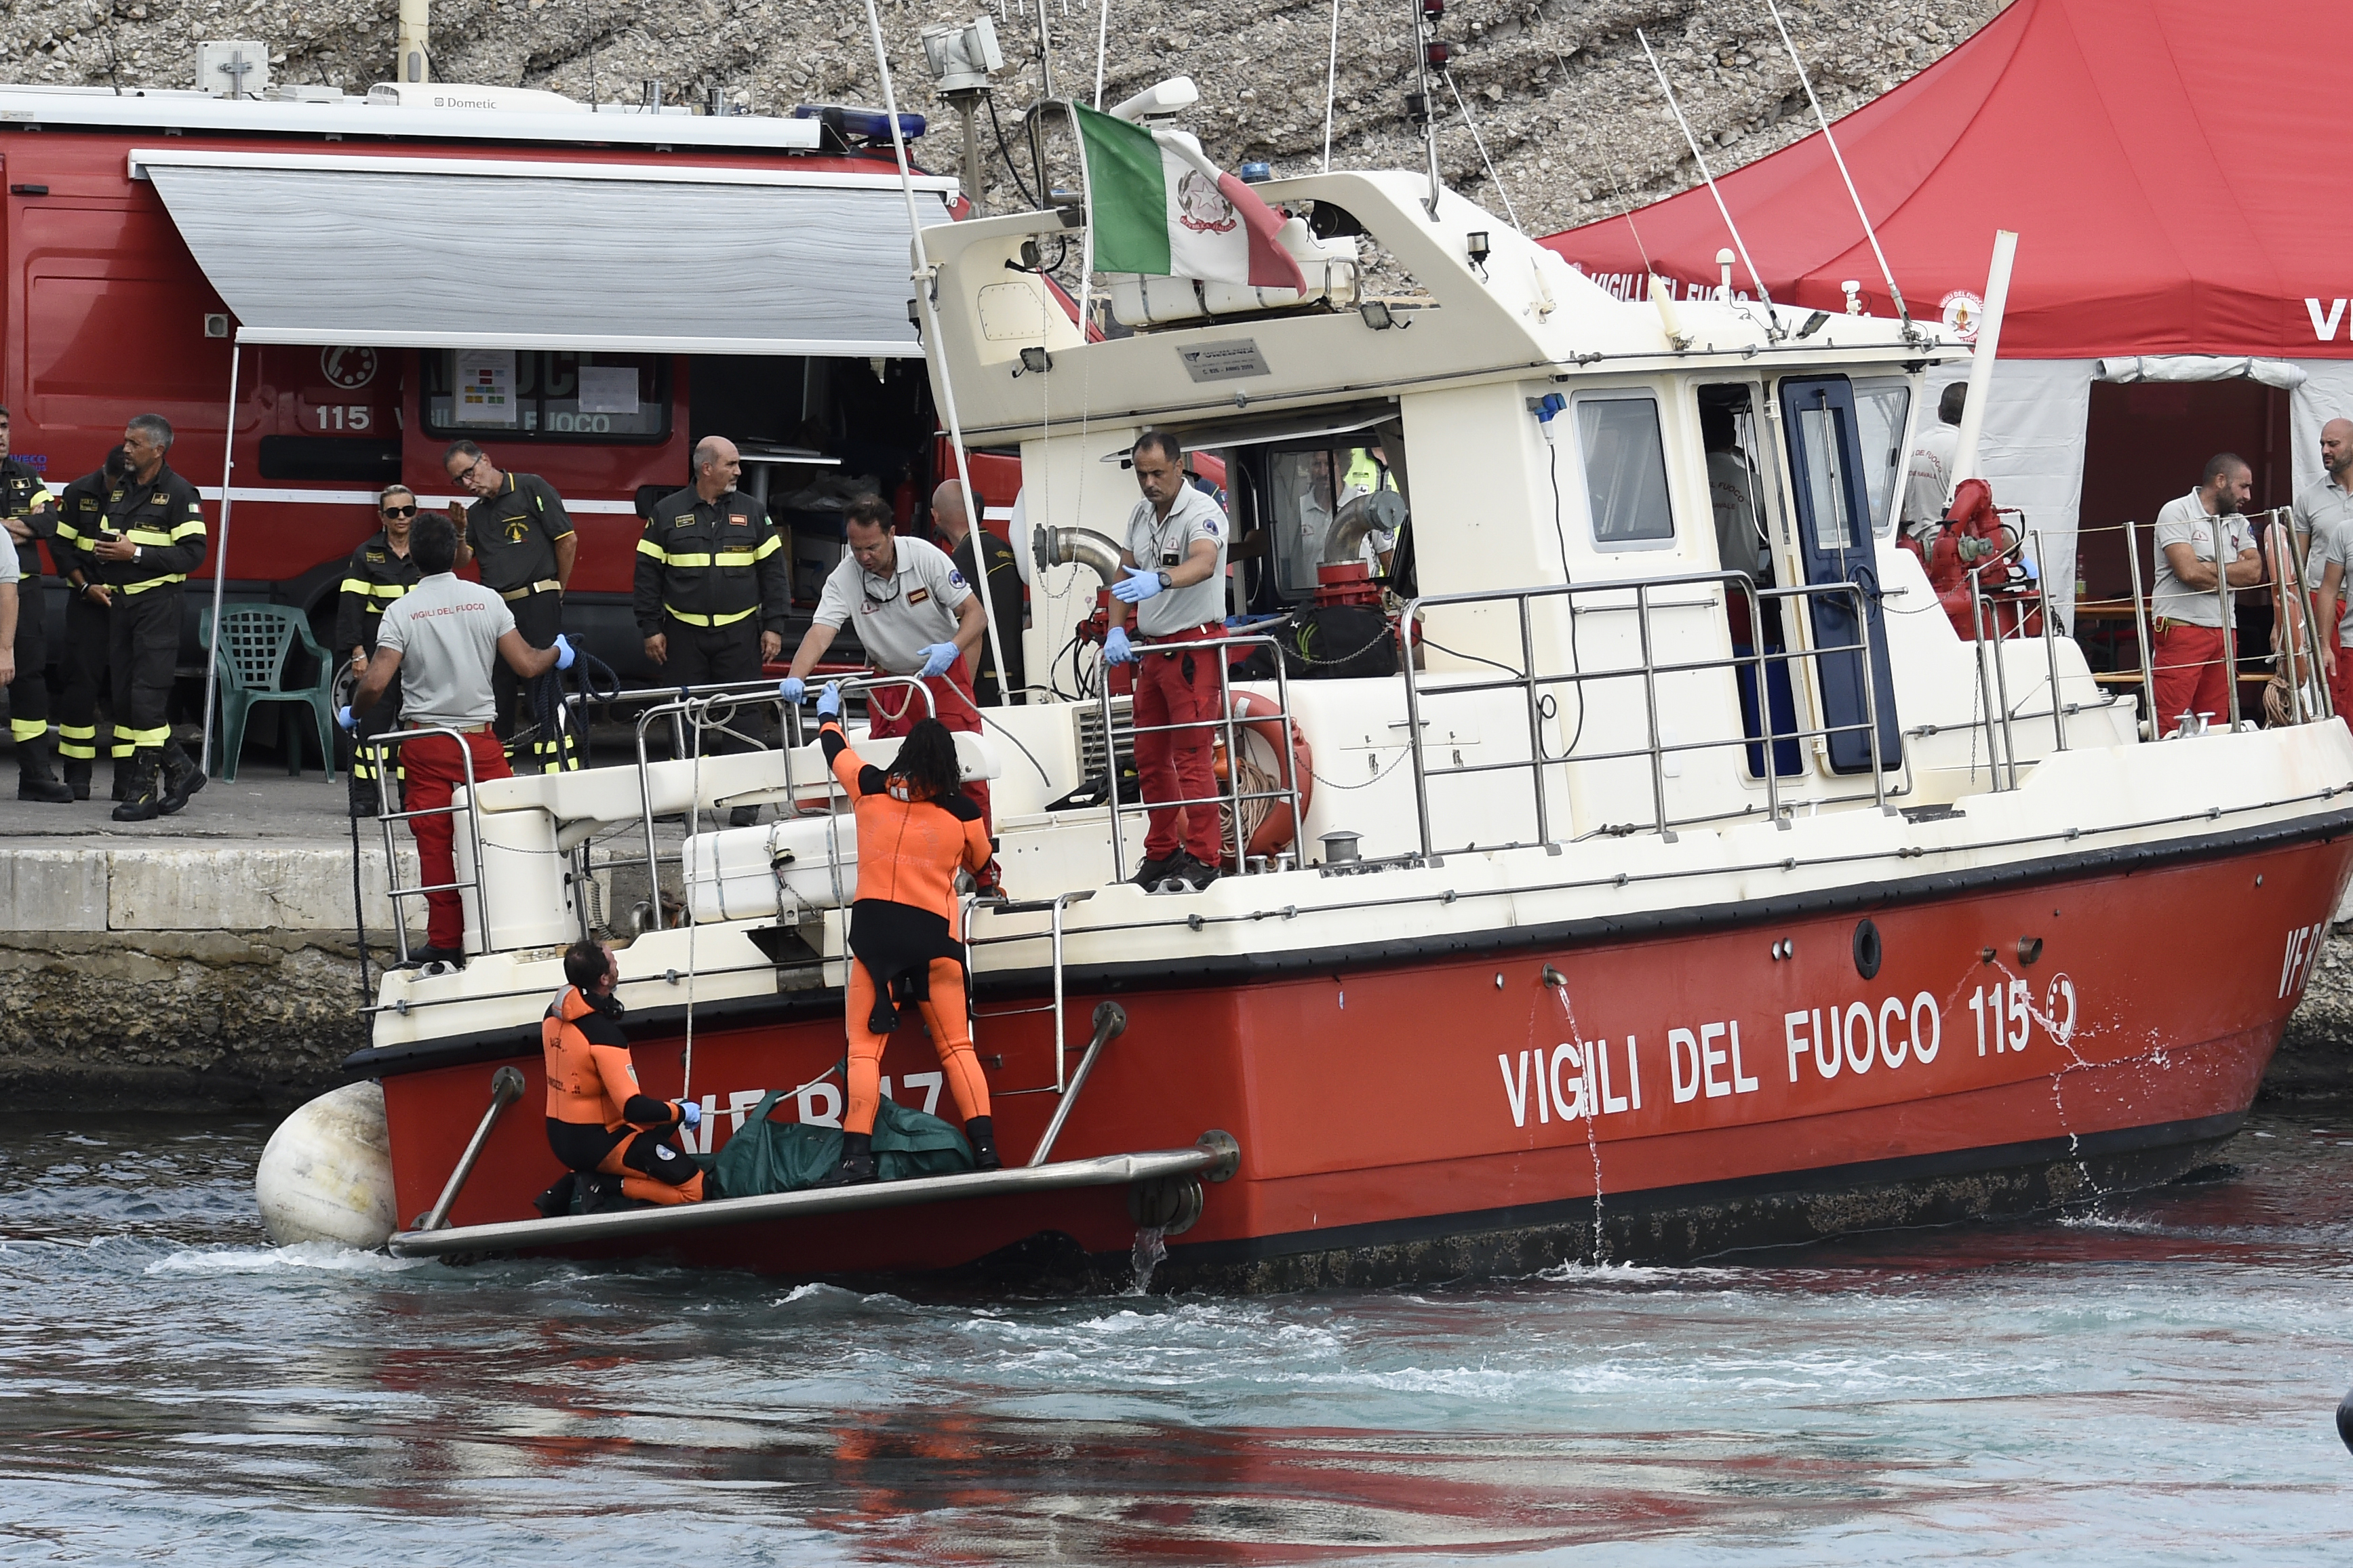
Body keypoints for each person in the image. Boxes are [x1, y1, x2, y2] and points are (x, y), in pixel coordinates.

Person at [345, 513, 574, 970]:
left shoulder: (402, 610)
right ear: (455, 552)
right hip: (480, 743)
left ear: (414, 558)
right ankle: (514, 930)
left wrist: (353, 712)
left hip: (425, 742)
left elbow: (375, 683)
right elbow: (528, 665)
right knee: (503, 834)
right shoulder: (486, 600)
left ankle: (446, 942)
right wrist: (560, 651)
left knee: (435, 844)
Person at [810, 685, 1001, 1184]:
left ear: (904, 755)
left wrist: (828, 711)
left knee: (863, 1051)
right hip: (934, 940)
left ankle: (856, 1158)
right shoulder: (963, 814)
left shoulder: (870, 788)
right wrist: (986, 881)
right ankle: (985, 1151)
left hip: (875, 942)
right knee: (958, 1048)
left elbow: (836, 751)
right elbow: (983, 865)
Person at [778, 494, 1006, 893]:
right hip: (889, 686)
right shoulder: (845, 577)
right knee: (890, 781)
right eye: (856, 548)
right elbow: (821, 632)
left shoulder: (926, 557)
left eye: (873, 547)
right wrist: (796, 675)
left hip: (942, 676)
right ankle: (906, 866)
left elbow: (976, 614)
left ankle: (983, 871)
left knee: (966, 772)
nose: (864, 557)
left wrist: (953, 648)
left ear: (892, 535)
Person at [636, 437, 789, 824]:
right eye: (732, 464)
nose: (739, 471)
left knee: (744, 715)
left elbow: (774, 574)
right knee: (682, 714)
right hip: (683, 634)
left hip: (739, 633)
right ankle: (682, 796)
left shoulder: (754, 513)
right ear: (707, 468)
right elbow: (647, 576)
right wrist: (651, 627)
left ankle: (744, 797)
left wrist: (774, 626)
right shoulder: (666, 513)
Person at [1103, 428, 1229, 891]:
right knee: (1150, 758)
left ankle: (1204, 856)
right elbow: (1122, 571)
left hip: (1194, 649)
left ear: (1180, 466)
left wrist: (1162, 580)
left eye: (1158, 472)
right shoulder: (1141, 513)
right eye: (1142, 474)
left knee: (1193, 758)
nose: (1150, 482)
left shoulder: (1202, 511)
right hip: (1153, 652)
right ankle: (1162, 851)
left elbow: (1205, 562)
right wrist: (1116, 624)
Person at [78, 415, 206, 822]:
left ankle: (144, 791)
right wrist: (105, 555)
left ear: (157, 450)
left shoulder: (180, 492)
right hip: (123, 605)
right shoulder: (123, 489)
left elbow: (193, 555)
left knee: (148, 700)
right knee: (125, 701)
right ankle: (183, 770)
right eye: (125, 442)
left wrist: (134, 555)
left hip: (159, 606)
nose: (126, 450)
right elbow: (106, 537)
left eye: (134, 444)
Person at [542, 939, 707, 1207]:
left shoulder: (553, 1015)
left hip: (561, 1136)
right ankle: (605, 1185)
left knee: (652, 1146)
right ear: (605, 978)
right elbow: (634, 1108)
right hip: (598, 1144)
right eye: (613, 960)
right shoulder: (604, 1036)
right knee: (696, 1190)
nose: (617, 962)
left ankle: (592, 1180)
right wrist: (680, 1111)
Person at [444, 440, 576, 772]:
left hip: (537, 600)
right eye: (459, 480)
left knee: (544, 692)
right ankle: (502, 779)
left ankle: (559, 776)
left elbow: (567, 540)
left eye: (469, 473)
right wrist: (459, 533)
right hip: (496, 611)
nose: (467, 484)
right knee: (498, 695)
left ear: (486, 460)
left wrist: (555, 591)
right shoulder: (475, 515)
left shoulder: (531, 487)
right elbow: (462, 562)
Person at [2149, 453, 2263, 736]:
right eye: (2243, 486)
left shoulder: (2238, 520)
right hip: (2182, 627)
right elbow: (2188, 573)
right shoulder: (2176, 511)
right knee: (2171, 722)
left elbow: (2254, 573)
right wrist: (2230, 572)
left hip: (2225, 630)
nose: (2248, 496)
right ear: (2221, 481)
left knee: (2217, 723)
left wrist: (2205, 569)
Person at [334, 486, 422, 817]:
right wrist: (357, 653)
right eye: (393, 512)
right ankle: (365, 798)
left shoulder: (426, 553)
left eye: (407, 511)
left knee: (415, 729)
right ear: (381, 517)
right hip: (379, 652)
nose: (401, 517)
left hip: (419, 655)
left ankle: (412, 799)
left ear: (417, 511)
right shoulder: (365, 553)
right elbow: (351, 606)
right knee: (370, 727)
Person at [47, 447, 127, 800]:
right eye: (113, 486)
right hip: (87, 601)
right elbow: (61, 548)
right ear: (105, 473)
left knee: (129, 691)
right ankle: (77, 775)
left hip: (131, 605)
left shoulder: (144, 493)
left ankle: (127, 779)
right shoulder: (79, 492)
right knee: (80, 684)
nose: (116, 493)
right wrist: (84, 586)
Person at [0, 407, 66, 802]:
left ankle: (35, 774)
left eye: (5, 428)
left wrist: (2, 527)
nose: (2, 436)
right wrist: (21, 525)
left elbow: (50, 523)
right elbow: (33, 526)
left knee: (29, 680)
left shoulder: (26, 475)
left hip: (24, 590)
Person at [929, 478, 1025, 706]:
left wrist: (964, 697)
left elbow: (972, 631)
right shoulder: (1003, 549)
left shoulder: (964, 557)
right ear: (976, 509)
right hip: (1016, 676)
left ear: (936, 516)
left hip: (987, 683)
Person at [2295, 418, 2353, 723]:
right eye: (2321, 444)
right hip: (2322, 601)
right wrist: (2289, 620)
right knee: (2330, 687)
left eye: (2334, 444)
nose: (2325, 450)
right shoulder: (2308, 498)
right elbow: (2297, 566)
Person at [1901, 382, 1966, 540]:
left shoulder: (1914, 444)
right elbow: (1979, 508)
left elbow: (1898, 508)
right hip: (1948, 552)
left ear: (1939, 411)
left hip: (1913, 550)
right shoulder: (1963, 449)